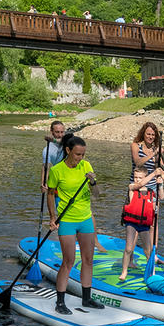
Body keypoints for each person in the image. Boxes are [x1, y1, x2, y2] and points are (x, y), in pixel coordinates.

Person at [44, 135, 103, 315]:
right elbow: (50, 194)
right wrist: (53, 217)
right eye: (77, 154)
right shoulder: (57, 170)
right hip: (67, 220)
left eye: (83, 154)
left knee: (88, 260)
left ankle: (87, 298)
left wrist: (93, 182)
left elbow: (97, 194)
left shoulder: (86, 166)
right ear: (68, 151)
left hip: (85, 219)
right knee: (68, 261)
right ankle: (60, 302)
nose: (80, 158)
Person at [118, 165, 164, 281]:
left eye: (140, 177)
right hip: (131, 224)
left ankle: (151, 272)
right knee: (128, 248)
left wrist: (160, 184)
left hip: (144, 225)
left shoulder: (150, 192)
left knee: (148, 251)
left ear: (145, 177)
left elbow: (161, 197)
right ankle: (124, 271)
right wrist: (153, 174)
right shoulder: (132, 187)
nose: (137, 179)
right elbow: (139, 185)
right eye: (135, 177)